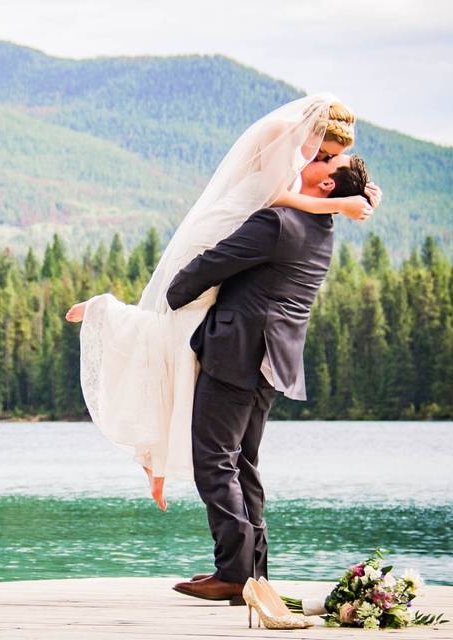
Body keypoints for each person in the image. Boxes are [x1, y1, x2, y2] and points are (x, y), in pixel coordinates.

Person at [65, 94, 382, 511]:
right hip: (217, 236)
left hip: (240, 246)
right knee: (174, 330)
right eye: (328, 153)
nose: (320, 159)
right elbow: (274, 198)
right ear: (319, 134)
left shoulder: (304, 160)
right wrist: (339, 203)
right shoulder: (278, 135)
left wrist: (357, 193)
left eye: (329, 157)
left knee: (187, 348)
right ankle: (107, 316)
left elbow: (310, 195)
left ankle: (153, 455)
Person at [167, 152, 370, 602]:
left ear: (327, 187)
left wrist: (171, 294)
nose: (310, 160)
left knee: (215, 459)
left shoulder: (279, 222)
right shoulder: (323, 228)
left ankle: (235, 576)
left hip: (238, 351)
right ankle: (252, 574)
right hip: (273, 359)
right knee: (243, 463)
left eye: (323, 161)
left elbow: (216, 262)